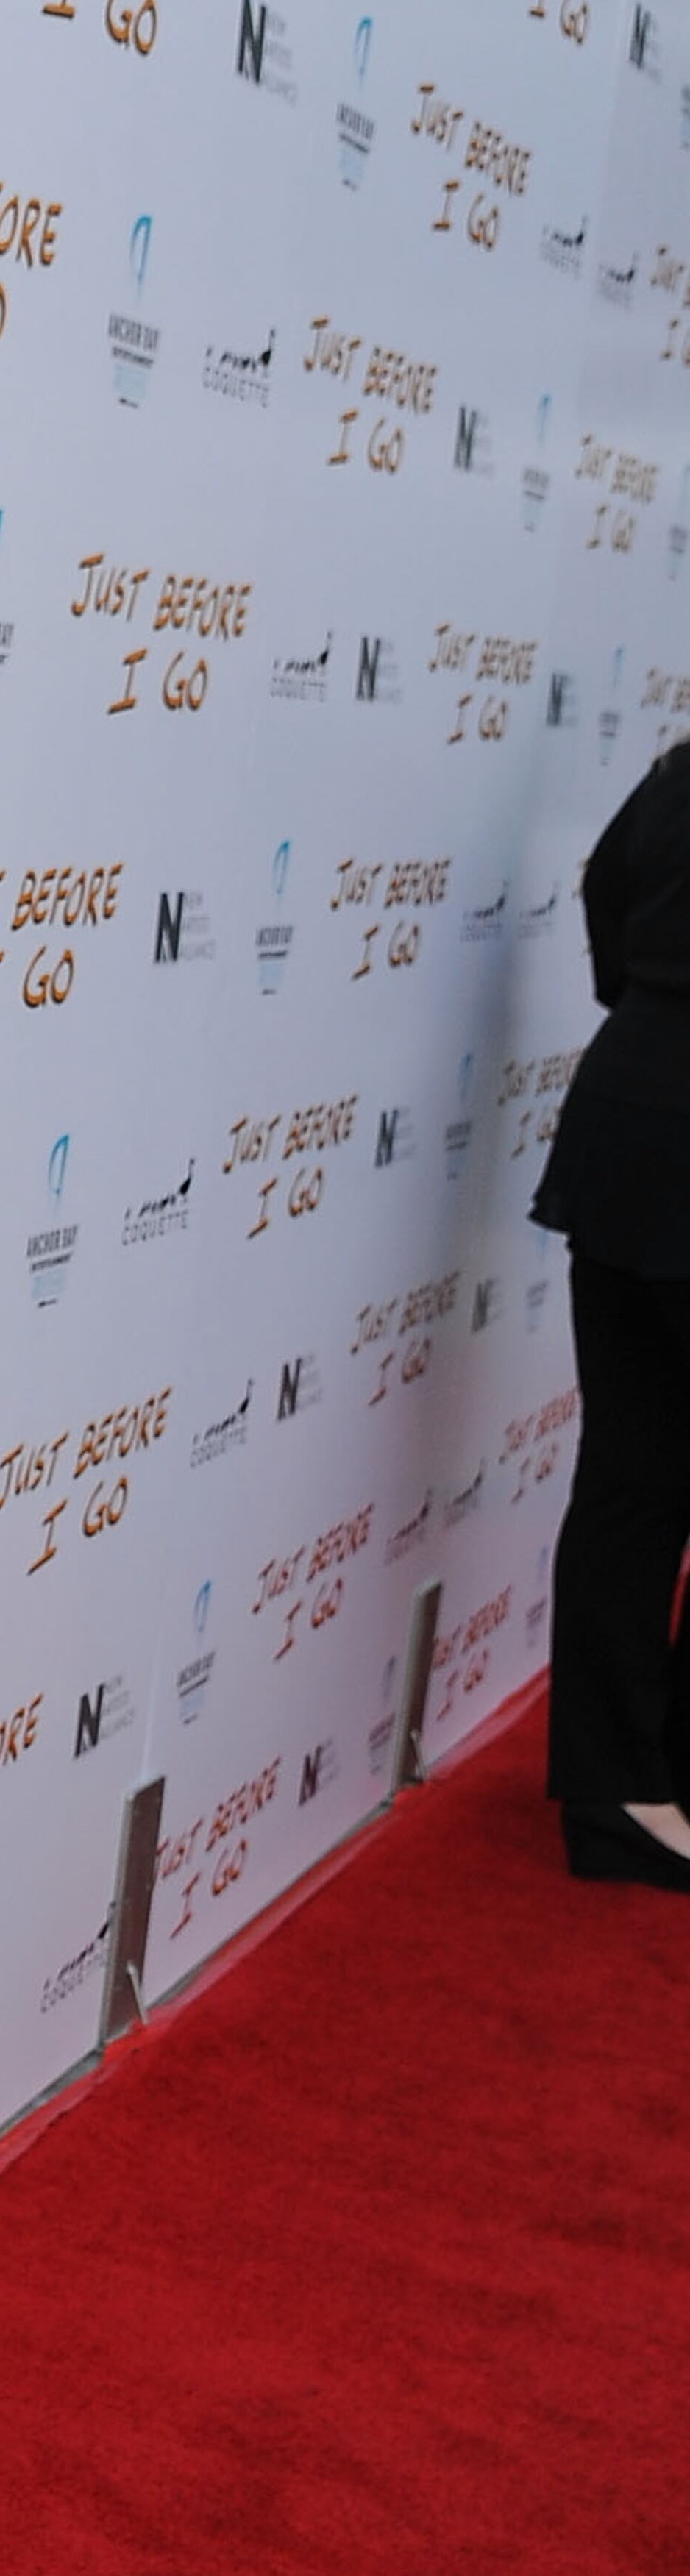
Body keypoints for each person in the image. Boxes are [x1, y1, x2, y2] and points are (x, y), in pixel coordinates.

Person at [536, 738, 690, 1887]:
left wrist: (652, 1005)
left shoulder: (681, 769)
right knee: (636, 1474)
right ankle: (635, 1780)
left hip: (632, 1113)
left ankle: (618, 1788)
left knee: (632, 1471)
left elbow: (605, 889)